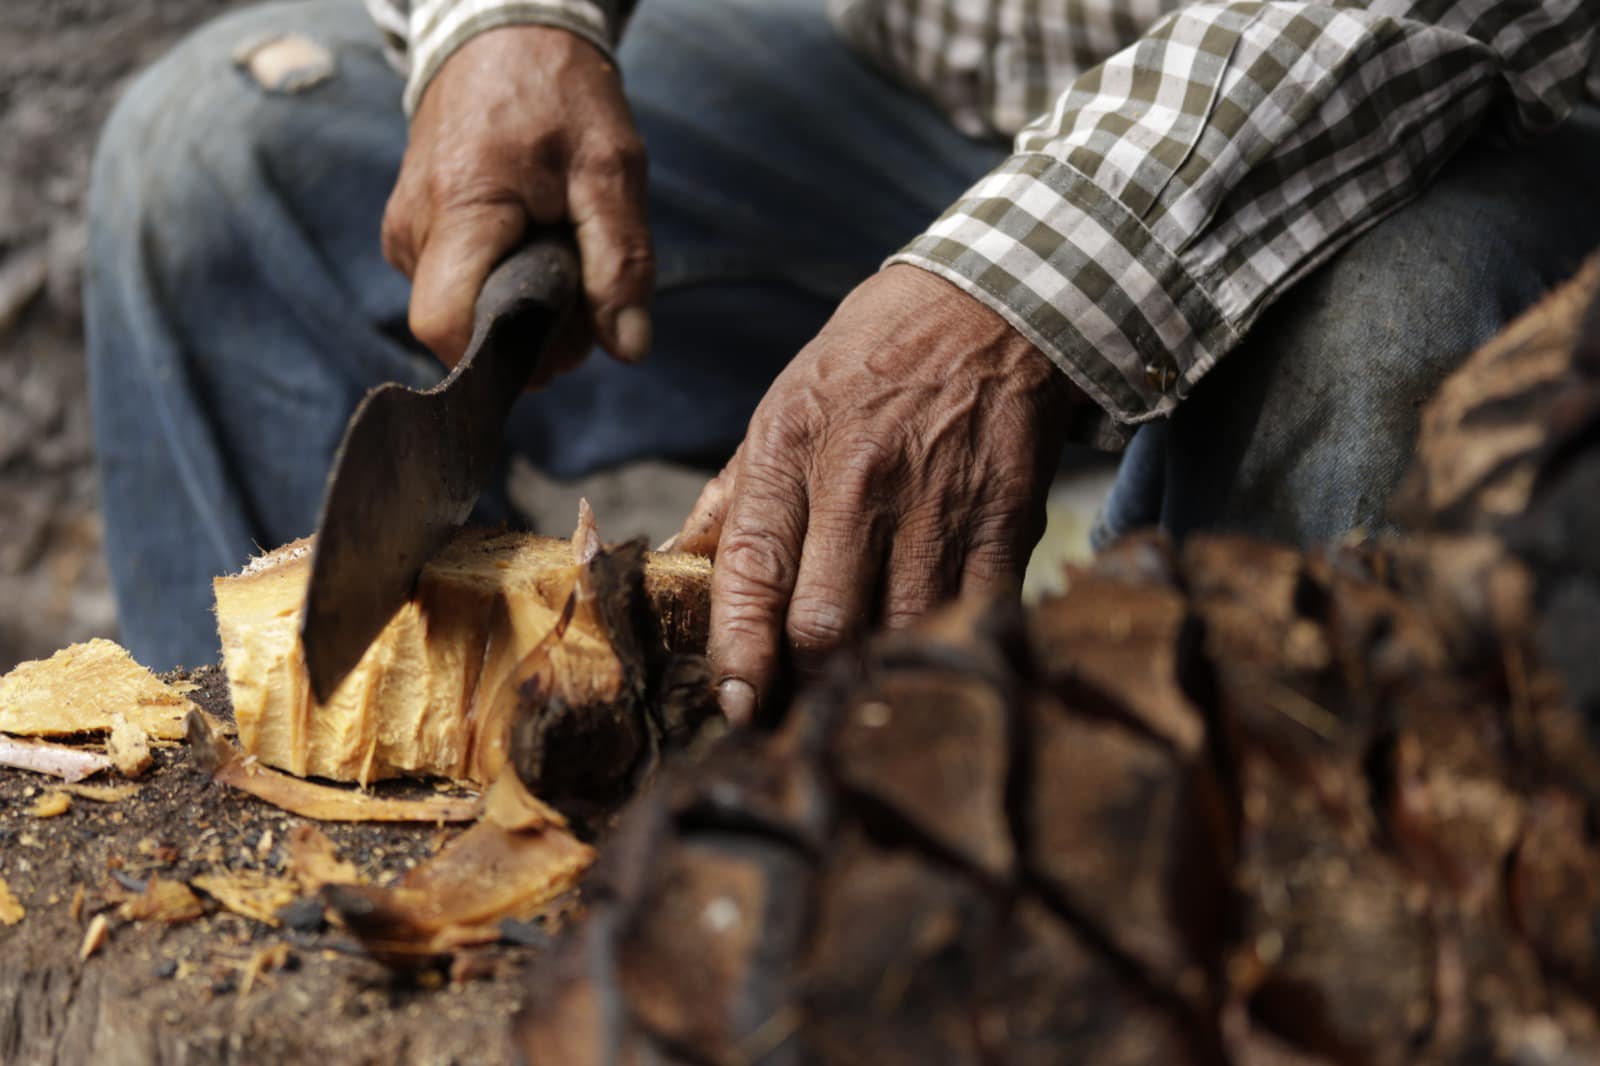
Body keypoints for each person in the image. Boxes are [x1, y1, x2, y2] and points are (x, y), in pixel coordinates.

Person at [87, 0, 1599, 722]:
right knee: (221, 163)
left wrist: (1023, 279)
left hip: (1437, 121)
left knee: (1400, 344)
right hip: (917, 80)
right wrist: (509, 27)